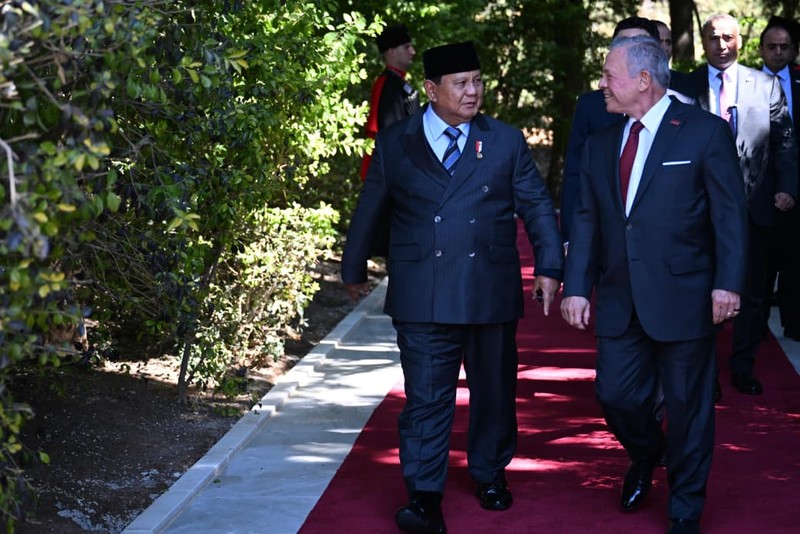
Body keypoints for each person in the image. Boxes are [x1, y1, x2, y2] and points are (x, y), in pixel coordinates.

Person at [341, 41, 564, 534]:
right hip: (424, 289)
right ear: (430, 89)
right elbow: (371, 204)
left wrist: (550, 265)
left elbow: (536, 205)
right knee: (426, 396)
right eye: (460, 83)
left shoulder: (504, 140)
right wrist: (352, 267)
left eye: (477, 81)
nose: (473, 92)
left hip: (489, 287)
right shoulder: (397, 141)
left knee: (494, 392)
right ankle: (423, 494)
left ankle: (488, 473)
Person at [561, 35, 747, 534]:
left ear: (643, 81)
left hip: (687, 296)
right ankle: (647, 454)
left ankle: (685, 507)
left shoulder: (703, 133)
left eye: (609, 75)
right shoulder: (602, 142)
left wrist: (728, 284)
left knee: (689, 409)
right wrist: (576, 286)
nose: (602, 84)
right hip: (620, 298)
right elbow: (586, 220)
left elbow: (730, 216)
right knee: (615, 395)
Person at [673, 14, 798, 395]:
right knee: (699, 294)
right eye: (714, 38)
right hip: (698, 212)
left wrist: (788, 187)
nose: (721, 45)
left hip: (754, 209)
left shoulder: (765, 86)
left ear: (740, 41)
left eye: (728, 38)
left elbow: (785, 144)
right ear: (704, 41)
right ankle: (705, 372)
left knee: (753, 295)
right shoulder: (684, 85)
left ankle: (743, 366)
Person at [760, 17, 800, 341]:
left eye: (784, 47)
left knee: (796, 263)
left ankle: (795, 322)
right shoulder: (744, 85)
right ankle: (756, 322)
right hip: (759, 192)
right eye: (771, 47)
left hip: (798, 190)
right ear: (760, 49)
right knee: (761, 266)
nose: (777, 53)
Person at [360, 23, 421, 181]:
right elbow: (393, 135)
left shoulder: (396, 82)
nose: (412, 52)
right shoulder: (389, 85)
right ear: (392, 52)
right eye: (407, 47)